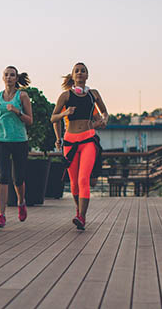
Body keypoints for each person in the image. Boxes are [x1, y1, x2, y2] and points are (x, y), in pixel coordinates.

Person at [51, 62, 108, 230]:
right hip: (70, 142)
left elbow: (104, 112)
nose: (80, 73)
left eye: (83, 71)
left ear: (87, 75)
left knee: (84, 179)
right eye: (77, 71)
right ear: (73, 75)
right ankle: (78, 210)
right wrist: (64, 113)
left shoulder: (93, 94)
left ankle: (82, 217)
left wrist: (104, 120)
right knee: (74, 183)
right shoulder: (65, 96)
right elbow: (53, 118)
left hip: (88, 140)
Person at [0, 66, 33, 228]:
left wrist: (17, 111)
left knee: (18, 178)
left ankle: (21, 202)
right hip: (1, 140)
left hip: (19, 140)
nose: (9, 77)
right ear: (3, 77)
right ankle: (1, 215)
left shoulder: (22, 96)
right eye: (6, 75)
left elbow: (30, 120)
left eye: (12, 75)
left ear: (16, 78)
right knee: (2, 176)